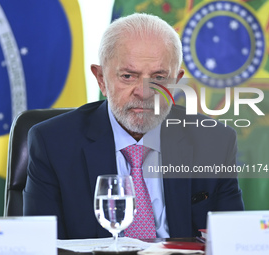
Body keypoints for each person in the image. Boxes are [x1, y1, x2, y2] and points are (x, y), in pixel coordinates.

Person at [23, 13, 244, 239]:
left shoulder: (215, 142)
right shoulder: (52, 143)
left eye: (159, 78)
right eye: (128, 76)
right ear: (101, 79)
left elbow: (233, 243)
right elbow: (41, 247)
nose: (144, 92)